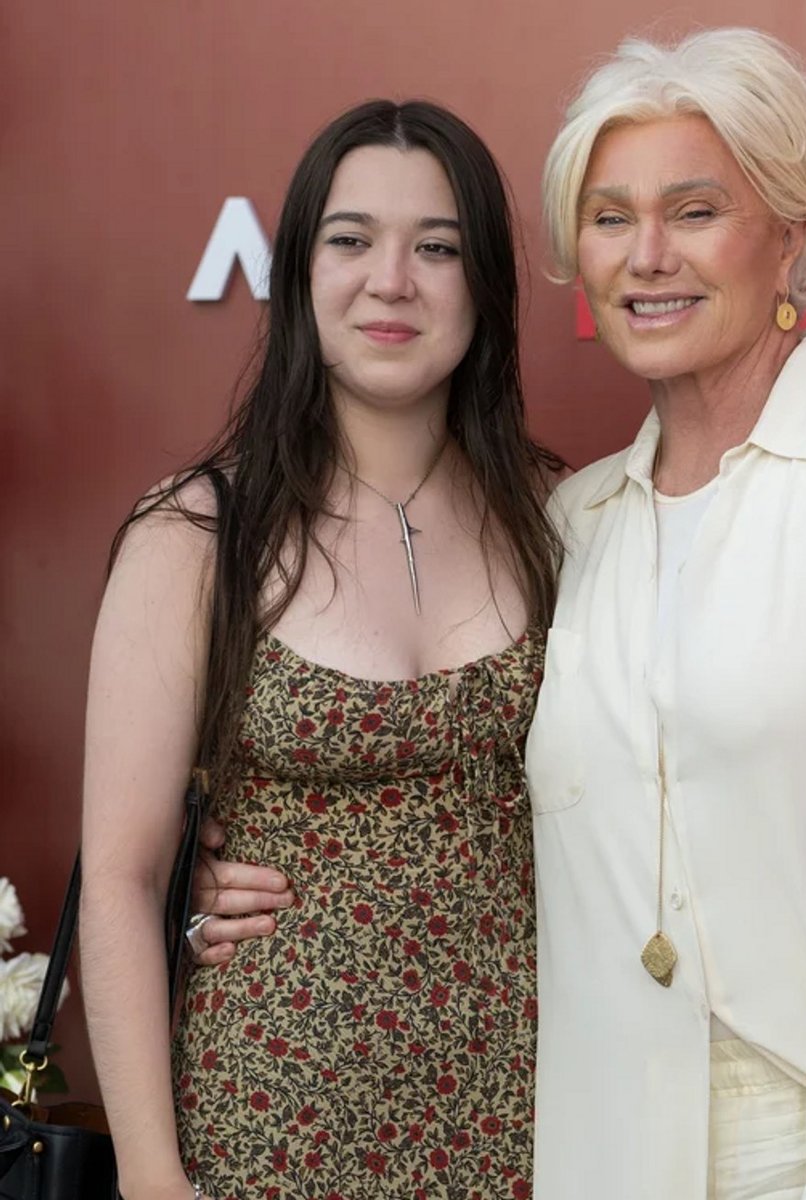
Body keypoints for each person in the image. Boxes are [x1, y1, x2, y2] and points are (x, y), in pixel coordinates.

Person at [194, 28, 806, 1200]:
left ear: (795, 242)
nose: (647, 256)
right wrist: (252, 882)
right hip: (610, 1148)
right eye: (612, 218)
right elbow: (489, 816)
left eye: (695, 209)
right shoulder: (575, 526)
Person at [80, 98, 561, 1200]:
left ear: (484, 285)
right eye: (351, 240)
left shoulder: (563, 523)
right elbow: (118, 877)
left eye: (435, 247)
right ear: (300, 271)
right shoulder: (199, 531)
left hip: (535, 1123)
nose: (390, 280)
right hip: (266, 1131)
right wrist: (156, 1182)